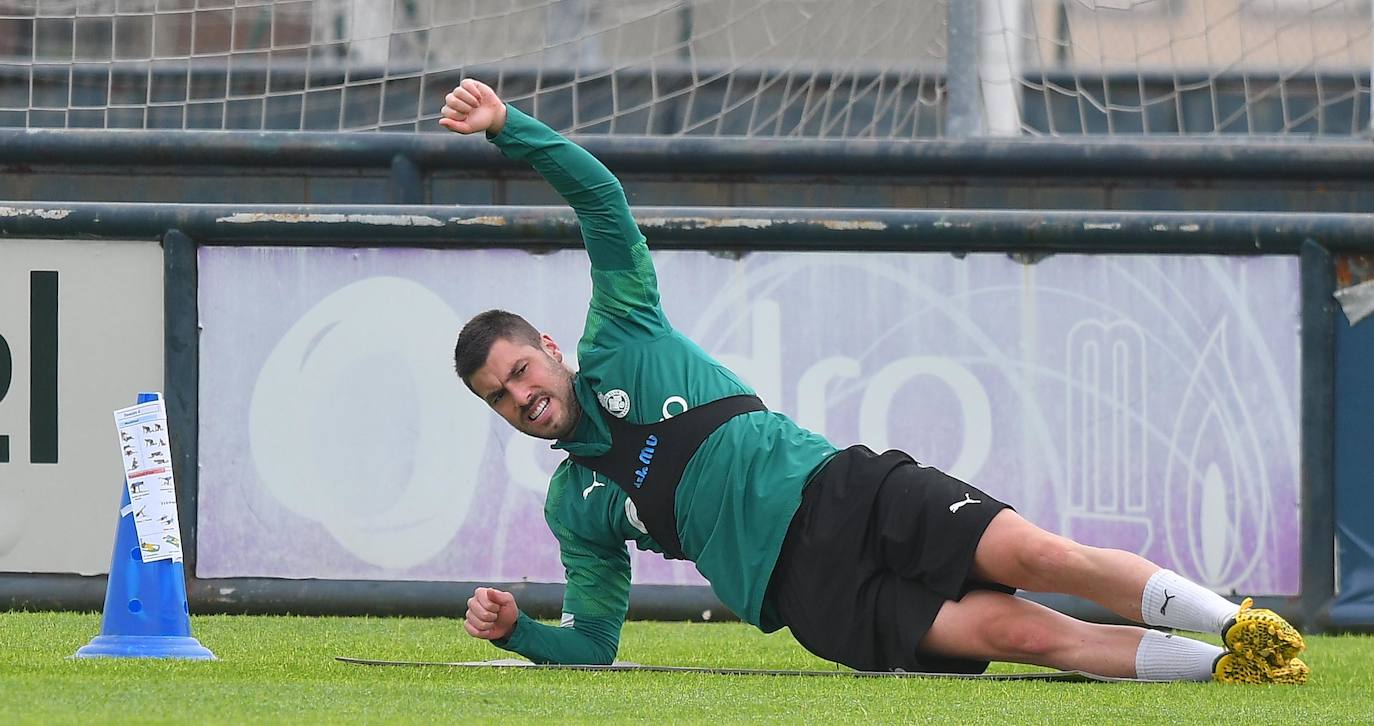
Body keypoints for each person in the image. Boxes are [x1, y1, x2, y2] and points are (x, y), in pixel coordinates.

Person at [438, 78, 1308, 684]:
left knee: (1041, 557)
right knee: (1021, 632)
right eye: (500, 397)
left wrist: (510, 126)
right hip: (806, 596)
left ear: (550, 348)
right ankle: (1227, 670)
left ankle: (1236, 624)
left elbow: (603, 206)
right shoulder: (575, 505)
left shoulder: (623, 334)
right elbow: (594, 644)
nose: (522, 396)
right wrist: (520, 635)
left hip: (843, 488)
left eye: (521, 371)